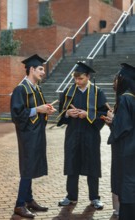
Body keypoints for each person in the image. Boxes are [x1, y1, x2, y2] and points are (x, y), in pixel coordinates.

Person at [57, 62, 108, 210]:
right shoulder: (69, 92)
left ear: (88, 76)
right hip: (73, 134)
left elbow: (105, 114)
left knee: (92, 165)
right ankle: (71, 196)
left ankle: (94, 198)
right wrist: (67, 113)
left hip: (90, 135)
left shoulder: (98, 92)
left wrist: (88, 115)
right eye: (75, 79)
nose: (77, 82)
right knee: (72, 164)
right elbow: (61, 112)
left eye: (80, 79)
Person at [10, 54, 56, 219]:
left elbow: (39, 109)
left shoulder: (37, 88)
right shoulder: (20, 89)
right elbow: (16, 115)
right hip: (27, 135)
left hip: (37, 133)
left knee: (31, 167)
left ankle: (29, 200)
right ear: (31, 69)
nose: (43, 72)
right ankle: (19, 204)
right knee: (27, 168)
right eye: (40, 69)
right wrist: (38, 110)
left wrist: (46, 110)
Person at [107, 63, 135, 219]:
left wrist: (113, 120)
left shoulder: (125, 99)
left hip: (126, 151)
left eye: (118, 77)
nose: (116, 80)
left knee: (127, 186)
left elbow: (122, 128)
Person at [102, 73, 119, 216]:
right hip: (119, 147)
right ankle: (117, 208)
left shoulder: (127, 100)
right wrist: (111, 123)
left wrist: (114, 120)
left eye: (116, 82)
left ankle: (120, 209)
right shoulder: (119, 100)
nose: (114, 85)